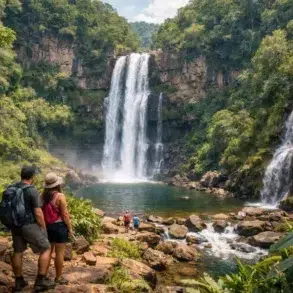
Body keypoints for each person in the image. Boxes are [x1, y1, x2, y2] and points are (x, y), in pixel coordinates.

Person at [10, 166, 55, 292]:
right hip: (28, 225)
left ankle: (19, 282)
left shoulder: (12, 188)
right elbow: (38, 213)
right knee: (46, 248)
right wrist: (43, 229)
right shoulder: (32, 190)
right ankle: (40, 281)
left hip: (15, 225)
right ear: (32, 177)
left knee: (18, 251)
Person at [42, 172, 73, 285]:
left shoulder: (42, 196)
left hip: (47, 226)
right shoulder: (60, 196)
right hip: (59, 227)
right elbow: (65, 214)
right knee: (59, 253)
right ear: (57, 184)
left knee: (47, 253)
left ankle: (43, 276)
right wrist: (69, 228)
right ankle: (58, 277)